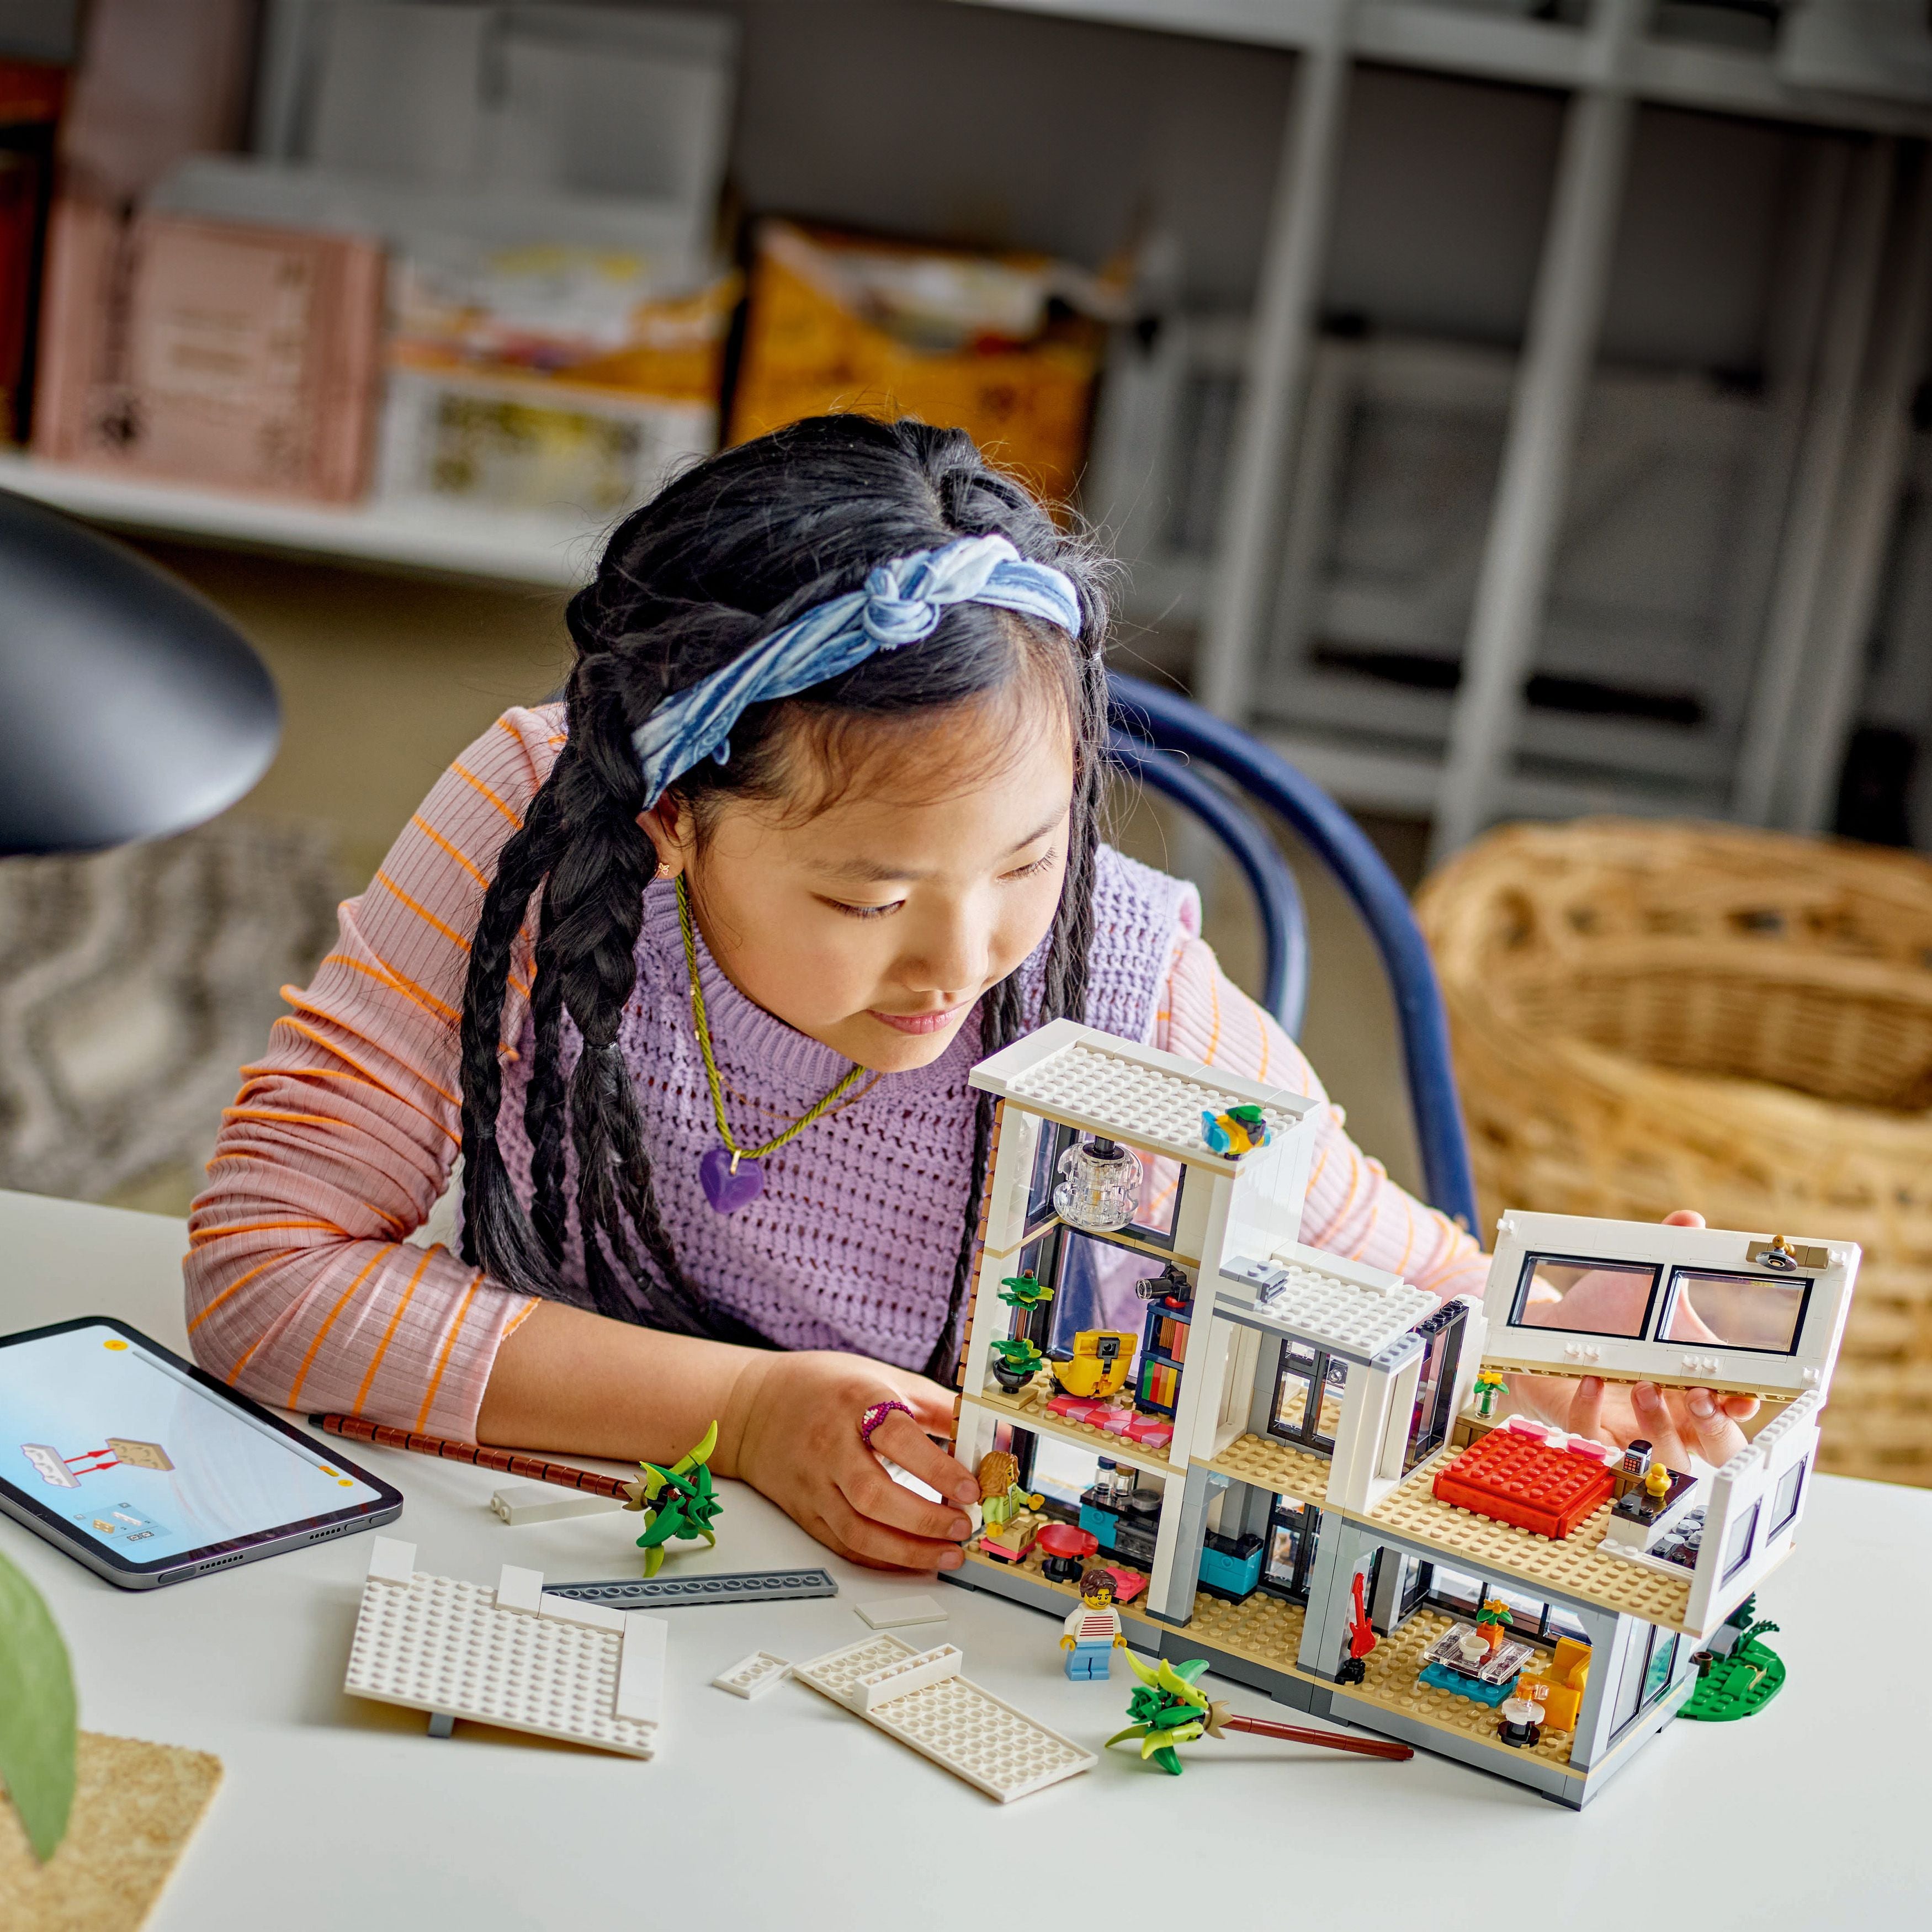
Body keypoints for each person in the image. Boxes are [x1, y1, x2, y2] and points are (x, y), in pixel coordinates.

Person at [182, 415, 1750, 1577]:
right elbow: (262, 1273)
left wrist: (1551, 1353)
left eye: (1031, 858)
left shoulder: (1118, 977)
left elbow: (1407, 1278)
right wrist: (748, 1415)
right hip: (562, 1535)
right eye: (869, 900)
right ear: (671, 820)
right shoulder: (532, 822)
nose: (961, 959)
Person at [1060, 1568, 1126, 1680]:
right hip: (1083, 1642)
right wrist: (1068, 1638)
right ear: (1086, 1593)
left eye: (1106, 1597)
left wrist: (1118, 1637)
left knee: (1102, 1657)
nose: (1102, 1600)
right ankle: (1077, 1671)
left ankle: (1099, 1670)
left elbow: (1116, 1625)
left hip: (1105, 1642)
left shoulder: (1112, 1612)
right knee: (1081, 1657)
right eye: (1099, 1597)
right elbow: (1070, 1623)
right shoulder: (1081, 1612)